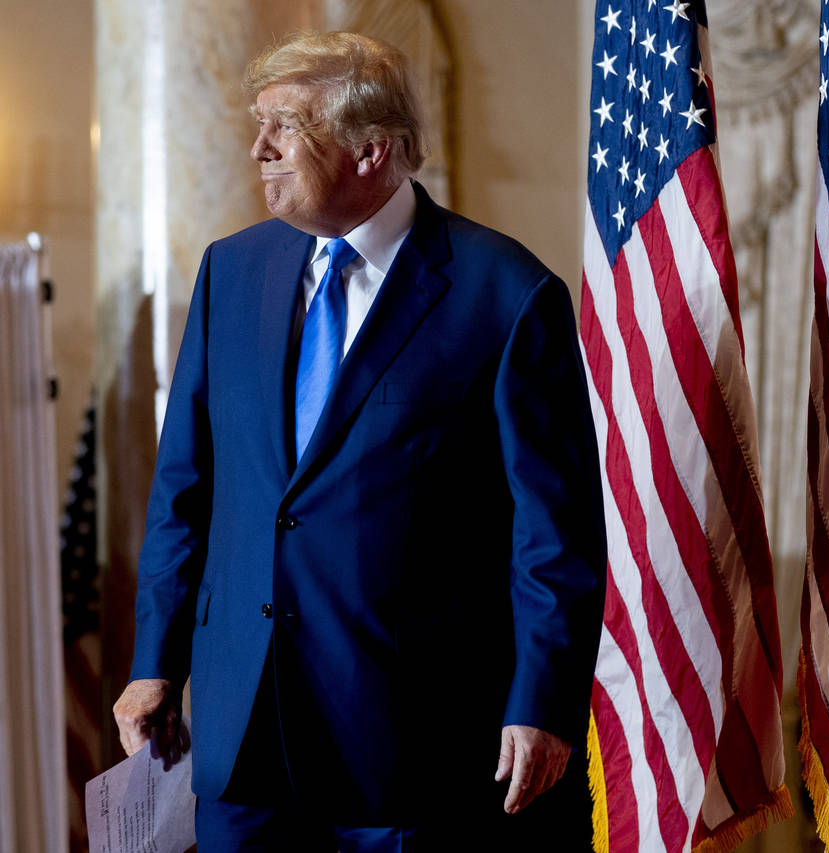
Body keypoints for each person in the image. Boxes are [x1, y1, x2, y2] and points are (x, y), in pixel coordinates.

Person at [111, 31, 606, 851]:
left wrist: (540, 702)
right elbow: (184, 489)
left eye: (287, 127)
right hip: (242, 748)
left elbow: (553, 535)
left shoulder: (506, 295)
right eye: (259, 122)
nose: (258, 147)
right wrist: (154, 659)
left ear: (372, 150)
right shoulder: (230, 271)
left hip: (410, 751)